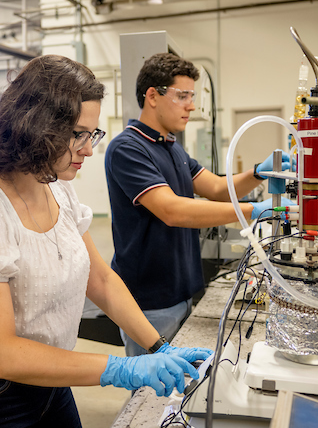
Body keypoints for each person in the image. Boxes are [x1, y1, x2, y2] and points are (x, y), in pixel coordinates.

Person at [0, 55, 212, 428]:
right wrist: (116, 368)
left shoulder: (57, 189)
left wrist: (159, 347)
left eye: (93, 134)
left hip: (50, 378)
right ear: (34, 127)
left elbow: (101, 279)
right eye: (78, 134)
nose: (89, 149)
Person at [105, 53, 293, 357]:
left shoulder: (172, 147)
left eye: (191, 96)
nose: (191, 105)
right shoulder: (128, 148)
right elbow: (173, 211)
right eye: (182, 96)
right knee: (150, 398)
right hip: (149, 302)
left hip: (182, 293)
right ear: (152, 96)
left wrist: (259, 172)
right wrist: (252, 211)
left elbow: (218, 188)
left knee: (176, 392)